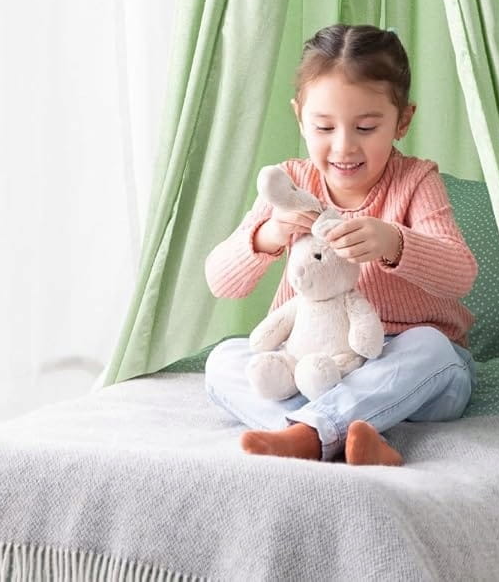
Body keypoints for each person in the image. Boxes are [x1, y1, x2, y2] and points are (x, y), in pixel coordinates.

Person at [203, 23, 479, 466]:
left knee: (432, 349)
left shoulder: (415, 180)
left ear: (402, 121)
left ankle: (310, 433)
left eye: (366, 127)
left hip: (402, 365)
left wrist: (394, 242)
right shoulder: (290, 184)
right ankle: (323, 432)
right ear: (300, 117)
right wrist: (270, 233)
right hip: (314, 365)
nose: (344, 147)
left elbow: (461, 274)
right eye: (324, 127)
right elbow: (220, 280)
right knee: (223, 361)